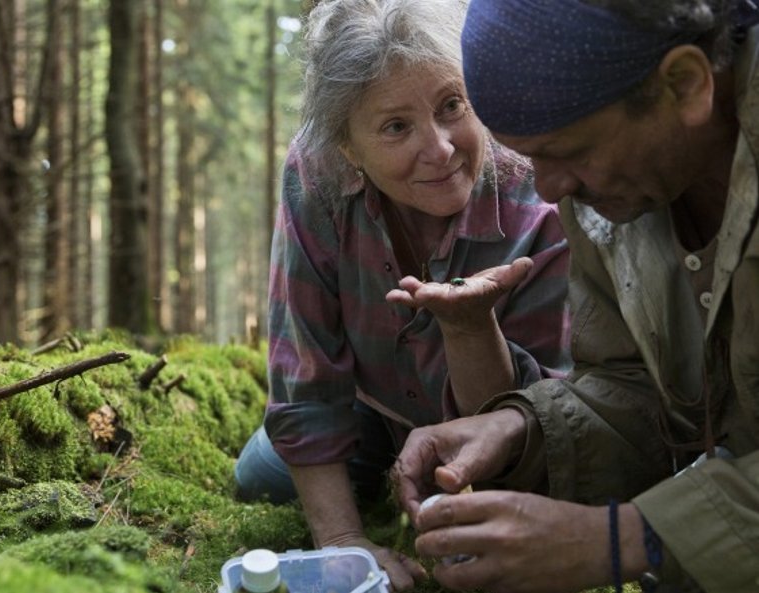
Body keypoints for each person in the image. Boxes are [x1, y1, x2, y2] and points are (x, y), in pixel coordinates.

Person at [393, 1, 759, 592]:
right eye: (530, 156)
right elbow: (634, 388)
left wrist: (626, 541)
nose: (547, 188)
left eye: (566, 151)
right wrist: (521, 430)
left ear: (685, 85)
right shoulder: (617, 194)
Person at [233, 0, 571, 590]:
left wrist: (470, 328)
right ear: (348, 150)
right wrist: (341, 543)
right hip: (371, 408)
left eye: (451, 106)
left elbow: (541, 418)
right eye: (396, 127)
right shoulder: (315, 176)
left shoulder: (539, 195)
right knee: (262, 476)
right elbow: (306, 370)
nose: (439, 148)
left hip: (500, 431)